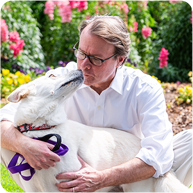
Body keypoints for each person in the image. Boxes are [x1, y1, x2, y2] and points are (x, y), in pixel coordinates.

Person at [0, 15, 193, 193]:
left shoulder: (144, 88)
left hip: (131, 169)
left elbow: (158, 153)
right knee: (8, 138)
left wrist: (102, 179)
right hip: (71, 170)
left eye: (96, 59)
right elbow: (3, 119)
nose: (84, 64)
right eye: (82, 53)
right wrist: (24, 145)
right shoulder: (61, 80)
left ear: (120, 60)